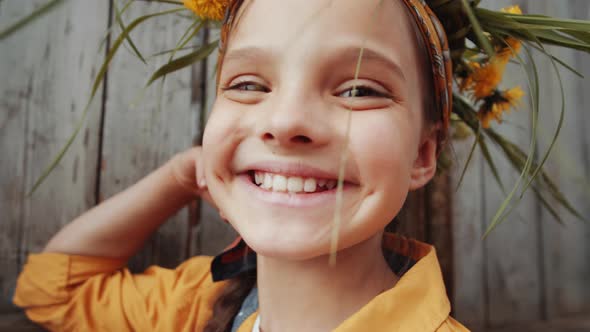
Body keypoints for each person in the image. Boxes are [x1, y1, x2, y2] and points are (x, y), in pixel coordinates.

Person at [13, 0, 469, 331]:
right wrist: (180, 176)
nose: (286, 121)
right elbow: (52, 291)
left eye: (358, 90)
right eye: (248, 83)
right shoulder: (199, 304)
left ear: (422, 154)